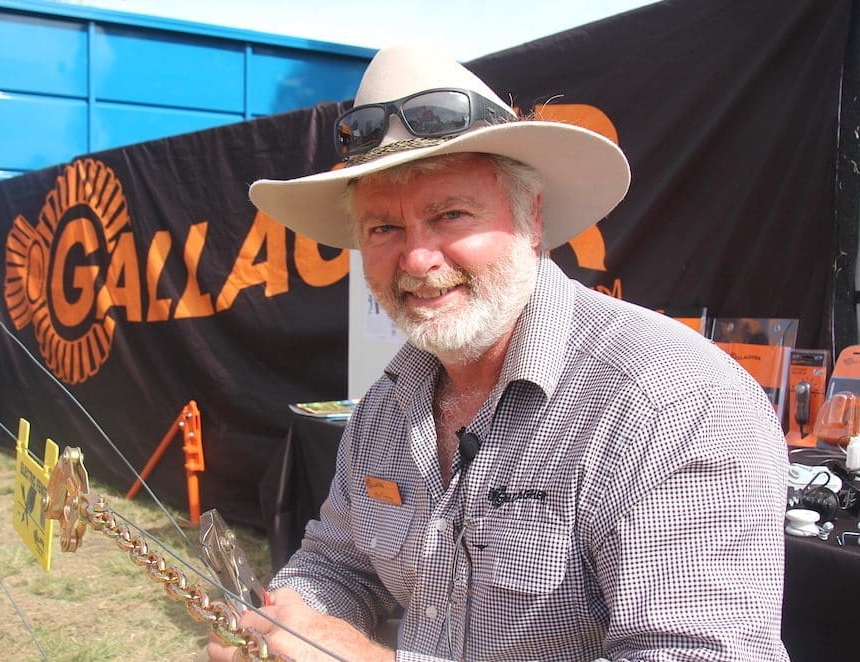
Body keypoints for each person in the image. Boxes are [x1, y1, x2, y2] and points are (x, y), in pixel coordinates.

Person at [208, 44, 790, 661]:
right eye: (384, 228)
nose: (416, 259)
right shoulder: (388, 404)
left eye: (451, 214)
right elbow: (341, 564)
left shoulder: (675, 402)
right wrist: (283, 618)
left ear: (531, 219)